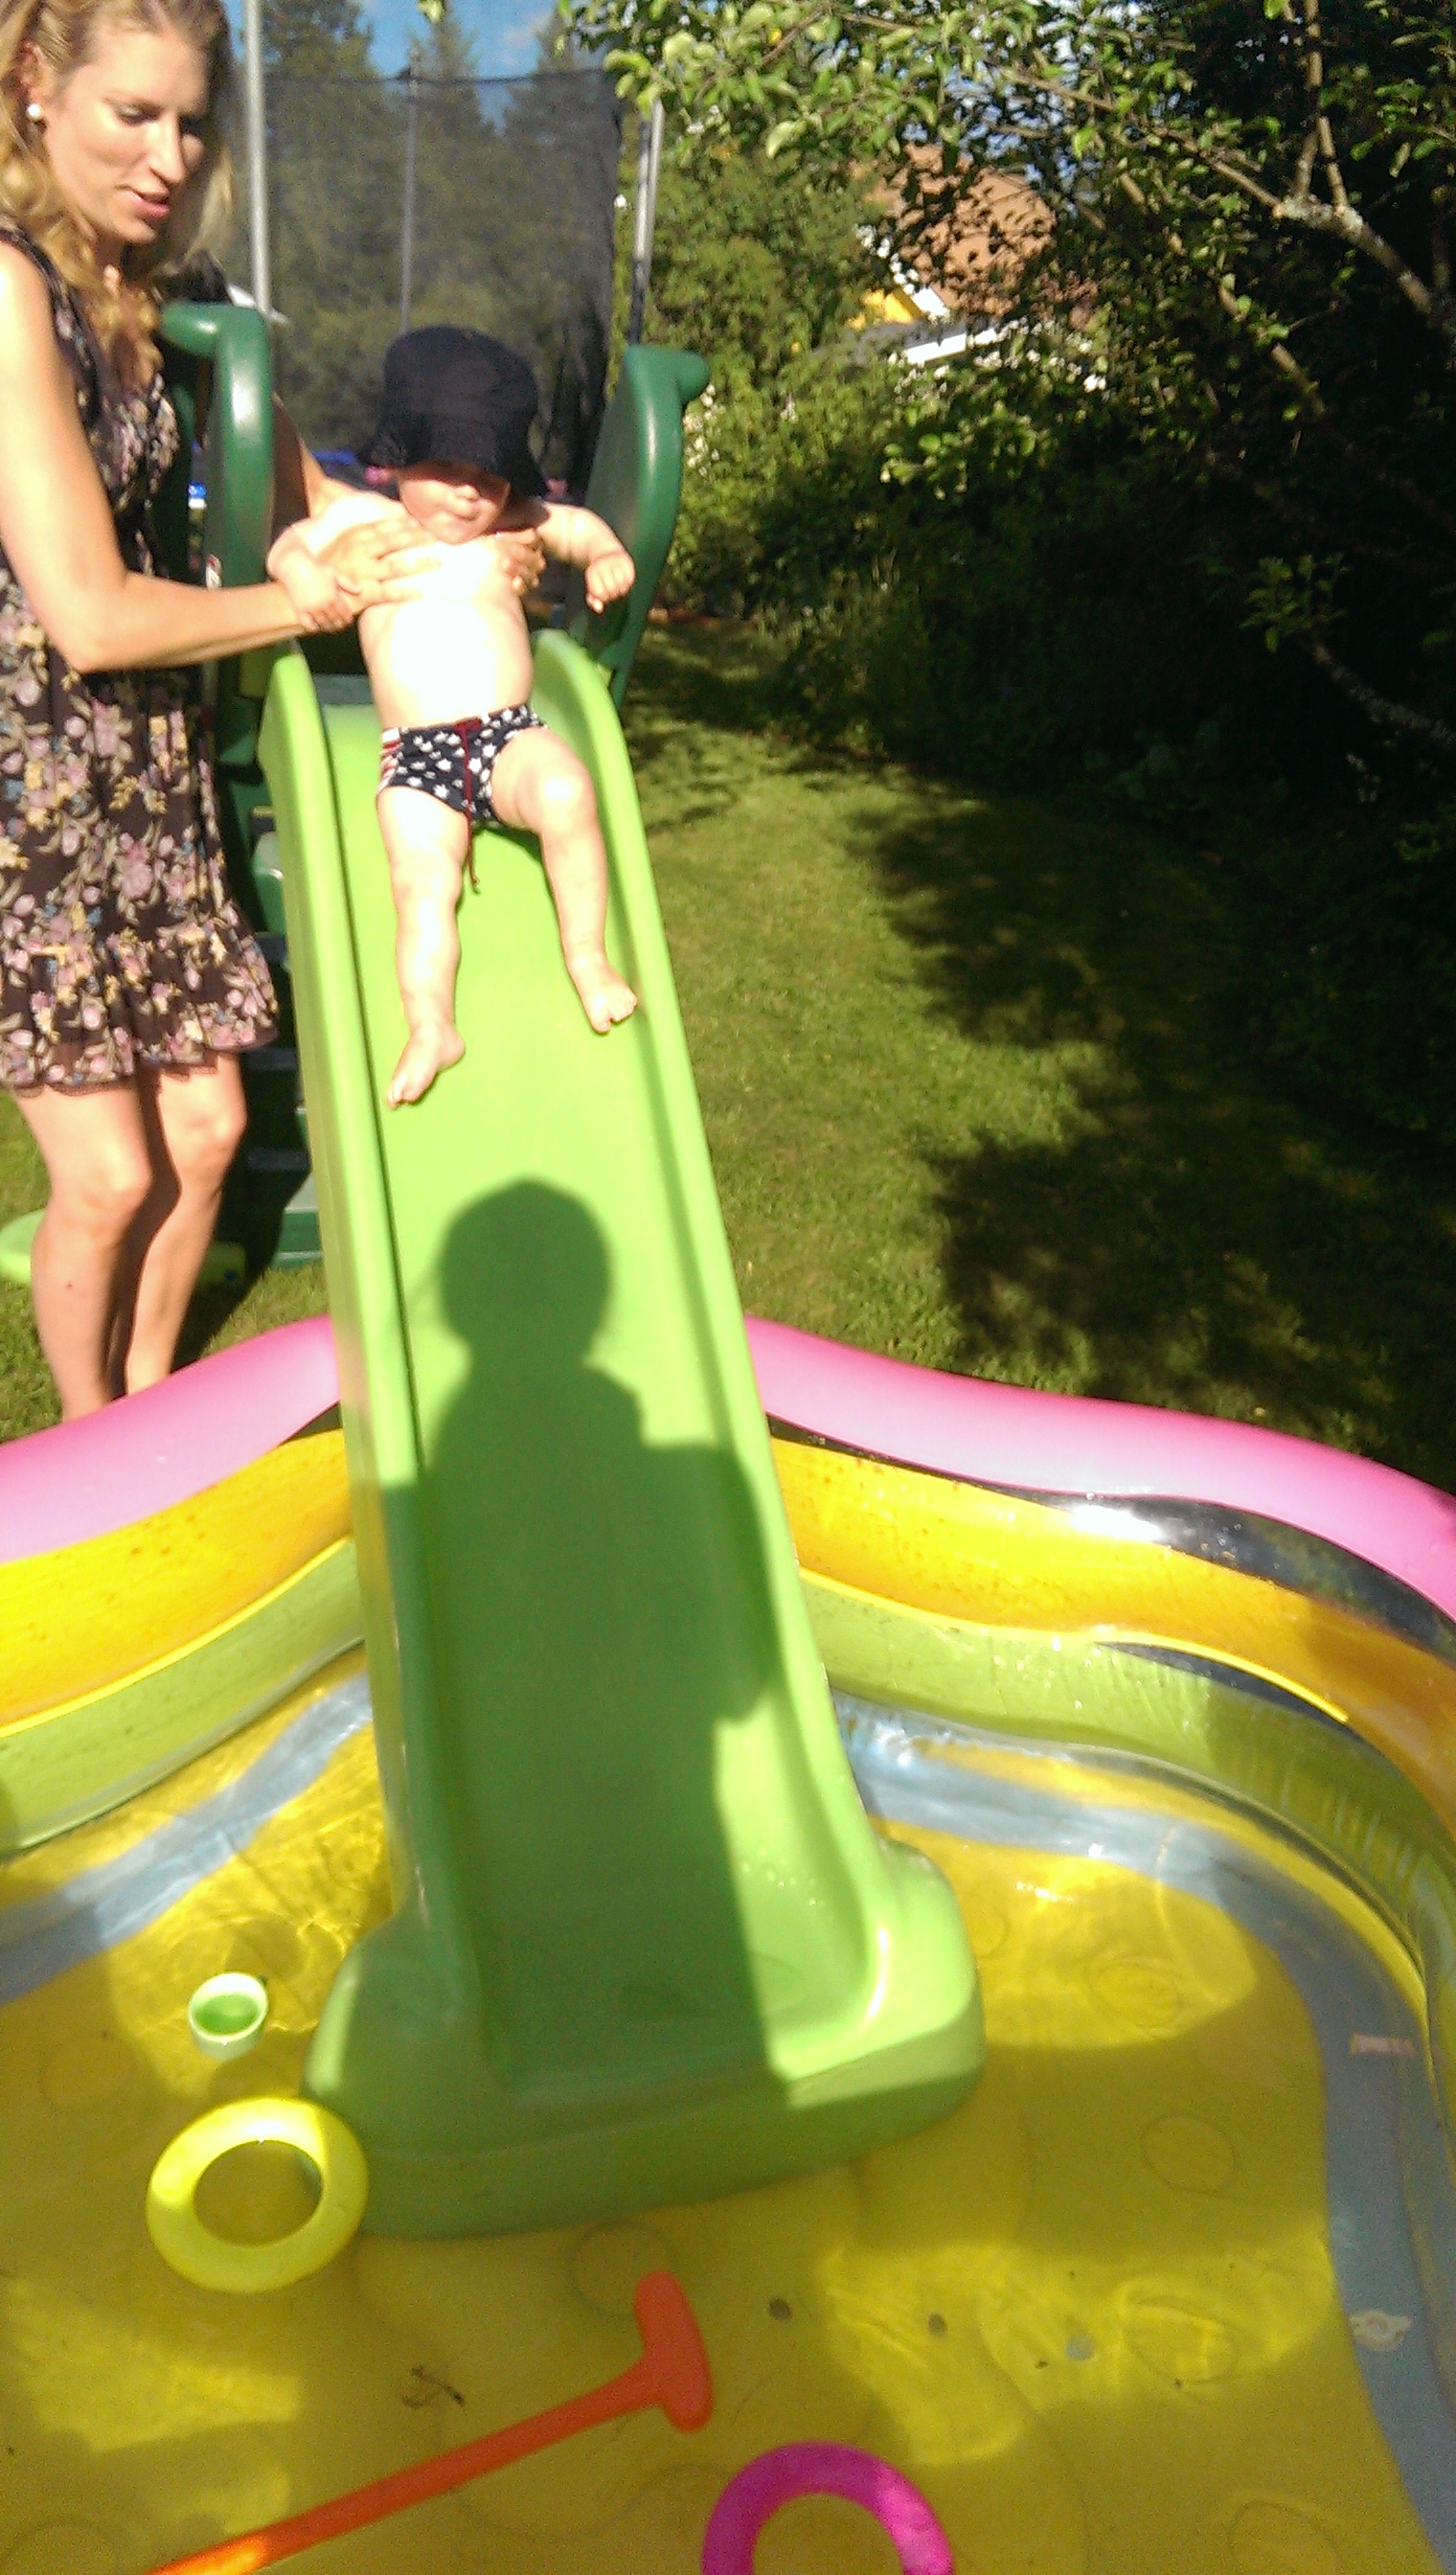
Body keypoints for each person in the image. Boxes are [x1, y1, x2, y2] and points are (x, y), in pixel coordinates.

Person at [0, 0, 544, 1420]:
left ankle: (148, 1396)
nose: (170, 156)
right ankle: (92, 1446)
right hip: (30, 792)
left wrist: (475, 554)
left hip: (146, 768)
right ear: (34, 86)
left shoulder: (156, 297)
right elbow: (90, 615)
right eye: (134, 115)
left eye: (192, 123)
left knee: (204, 1134)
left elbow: (320, 493)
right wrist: (300, 607)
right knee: (106, 1176)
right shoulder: (6, 289)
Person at [266, 327, 638, 1108]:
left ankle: (587, 956)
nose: (470, 492)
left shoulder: (513, 525)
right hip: (415, 756)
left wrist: (606, 556)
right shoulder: (364, 520)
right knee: (421, 882)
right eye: (448, 467)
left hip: (508, 734)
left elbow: (577, 527)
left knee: (568, 793)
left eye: (489, 475)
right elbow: (292, 544)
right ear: (398, 458)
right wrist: (304, 578)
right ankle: (432, 1024)